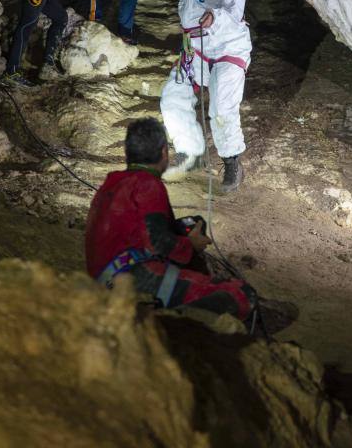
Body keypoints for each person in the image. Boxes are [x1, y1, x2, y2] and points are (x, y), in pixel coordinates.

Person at [85, 117, 254, 320]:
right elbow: (158, 242)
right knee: (241, 294)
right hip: (132, 278)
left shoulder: (112, 183)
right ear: (164, 152)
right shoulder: (147, 184)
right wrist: (190, 244)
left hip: (104, 274)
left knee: (188, 224)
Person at [160, 0, 252, 192]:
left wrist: (215, 16)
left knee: (221, 107)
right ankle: (191, 152)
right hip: (197, 51)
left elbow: (233, 6)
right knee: (172, 96)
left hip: (228, 49)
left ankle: (232, 161)